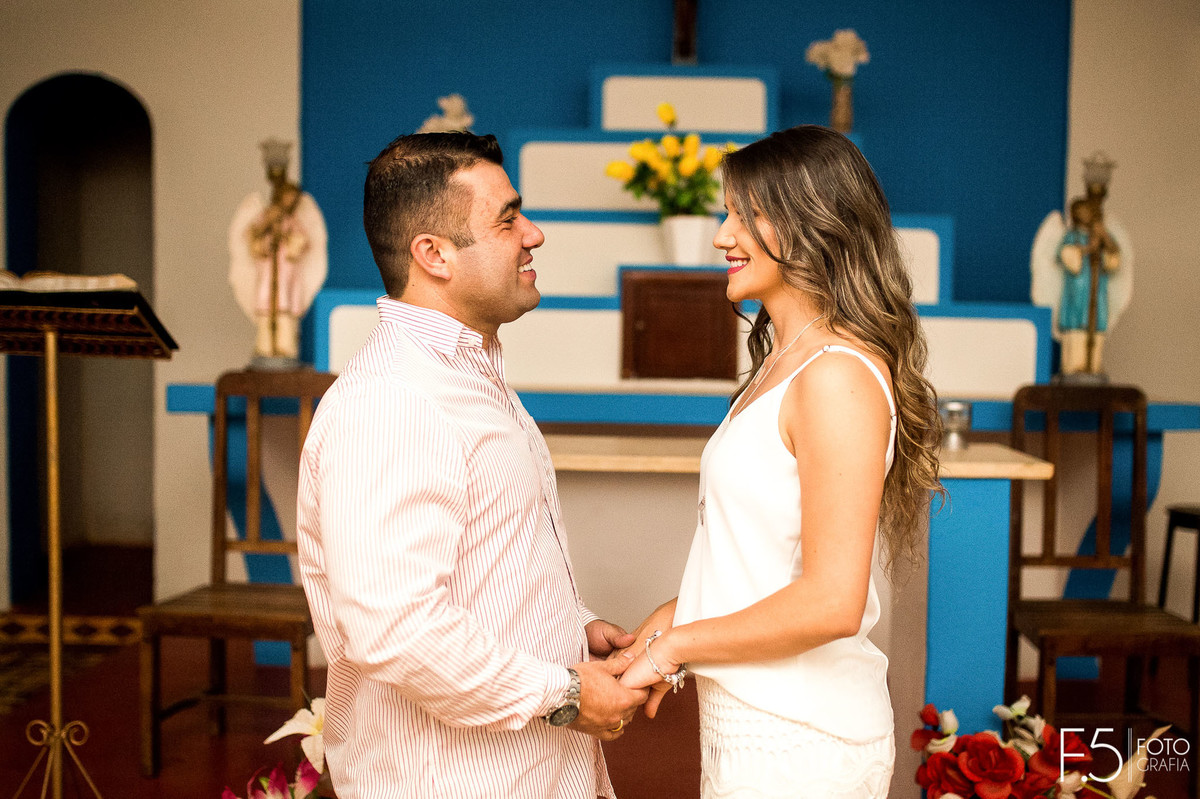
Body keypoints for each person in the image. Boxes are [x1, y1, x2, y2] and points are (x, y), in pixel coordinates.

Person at [296, 131, 647, 799]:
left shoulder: (467, 376)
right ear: (433, 254)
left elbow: (485, 564)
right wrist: (565, 692)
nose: (533, 234)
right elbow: (395, 627)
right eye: (507, 219)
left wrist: (568, 627)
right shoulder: (392, 401)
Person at [617, 125, 943, 798]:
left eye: (744, 214)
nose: (721, 236)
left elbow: (831, 601)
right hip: (758, 725)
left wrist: (674, 649)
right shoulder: (784, 363)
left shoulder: (836, 376)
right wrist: (680, 612)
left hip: (802, 737)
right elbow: (767, 554)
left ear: (810, 223)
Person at [228, 138, 327, 363]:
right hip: (268, 268)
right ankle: (265, 347)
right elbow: (252, 236)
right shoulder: (266, 215)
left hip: (286, 271)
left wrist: (288, 241)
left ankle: (285, 347)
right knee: (266, 304)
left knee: (284, 306)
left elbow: (302, 241)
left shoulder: (292, 221)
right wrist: (265, 234)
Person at [1056, 196, 1120, 375]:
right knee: (1077, 325)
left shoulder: (1100, 236)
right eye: (1079, 212)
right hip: (1077, 289)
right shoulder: (1072, 236)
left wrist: (1103, 236)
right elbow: (1067, 256)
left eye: (1086, 211)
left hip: (1096, 288)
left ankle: (1093, 366)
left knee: (1096, 321)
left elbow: (1113, 258)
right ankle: (1073, 367)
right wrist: (1087, 249)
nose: (1084, 215)